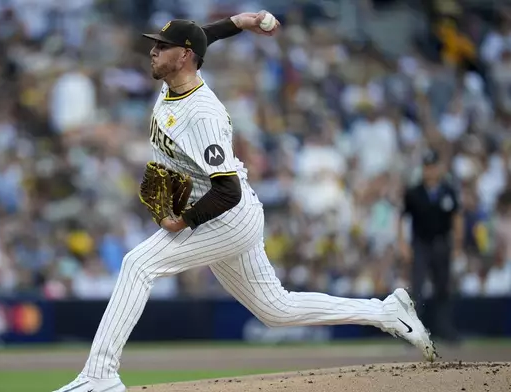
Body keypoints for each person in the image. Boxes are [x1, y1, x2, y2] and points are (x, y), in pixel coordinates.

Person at [53, 12, 437, 392]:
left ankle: (100, 375)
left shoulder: (202, 114)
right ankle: (387, 312)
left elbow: (228, 190)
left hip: (227, 217)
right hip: (228, 213)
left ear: (183, 56)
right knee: (276, 309)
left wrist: (182, 220)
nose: (153, 51)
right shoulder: (177, 75)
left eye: (161, 46)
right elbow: (201, 36)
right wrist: (240, 21)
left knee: (138, 264)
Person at [399, 149, 463, 343]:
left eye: (433, 166)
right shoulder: (413, 192)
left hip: (441, 243)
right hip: (421, 244)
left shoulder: (448, 190)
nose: (430, 171)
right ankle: (413, 331)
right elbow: (402, 218)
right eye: (427, 167)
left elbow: (457, 218)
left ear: (438, 168)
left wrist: (458, 245)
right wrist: (402, 243)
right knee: (417, 286)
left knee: (443, 286)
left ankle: (444, 329)